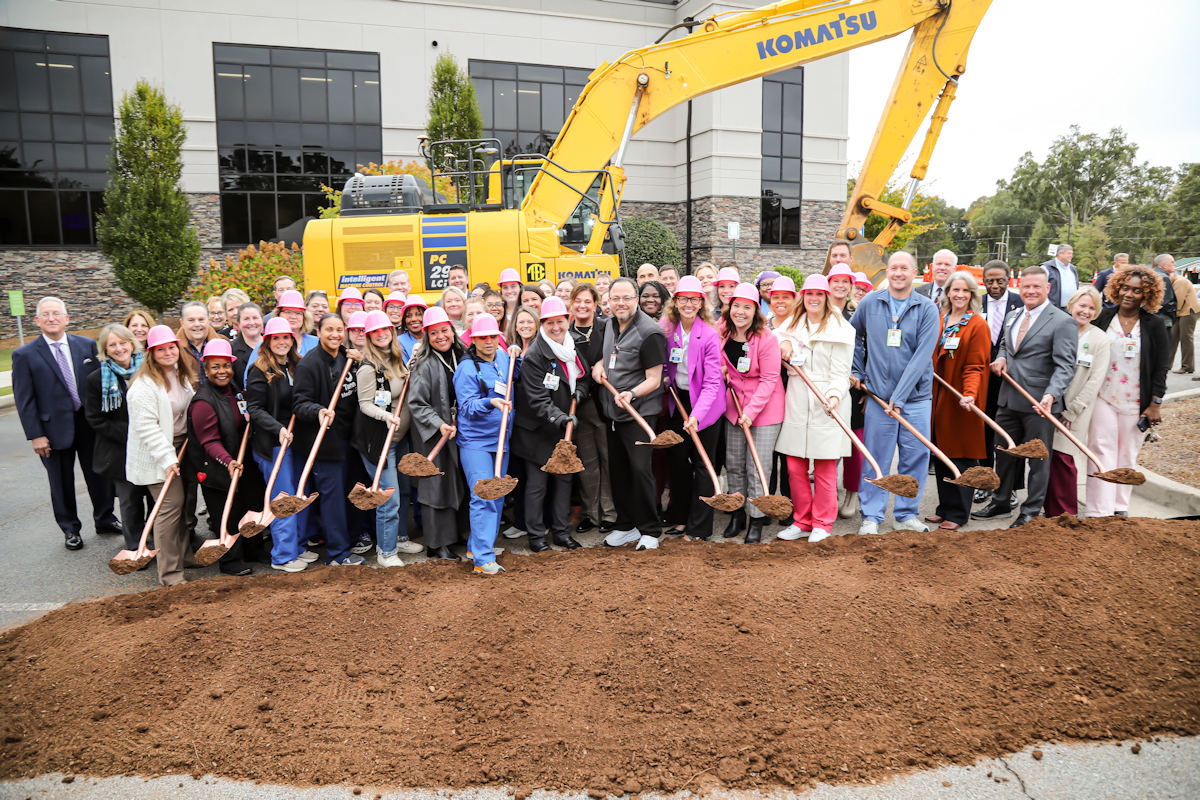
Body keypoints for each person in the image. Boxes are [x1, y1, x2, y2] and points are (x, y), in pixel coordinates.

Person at [973, 266, 1077, 528]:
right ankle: (1000, 501)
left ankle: (1031, 511)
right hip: (1008, 399)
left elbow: (1065, 365)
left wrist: (1052, 395)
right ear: (1020, 287)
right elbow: (1007, 346)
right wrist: (1000, 358)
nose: (1031, 291)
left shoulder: (1062, 321)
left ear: (1047, 289)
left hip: (1039, 404)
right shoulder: (1014, 315)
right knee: (1004, 454)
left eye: (1037, 287)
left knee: (1038, 461)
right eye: (1027, 287)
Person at [12, 297, 118, 550]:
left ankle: (105, 518)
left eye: (56, 313)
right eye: (45, 314)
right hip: (51, 430)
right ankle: (70, 529)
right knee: (60, 482)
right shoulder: (24, 355)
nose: (51, 318)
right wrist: (35, 434)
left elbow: (100, 384)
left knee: (99, 475)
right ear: (37, 321)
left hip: (89, 423)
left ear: (66, 318)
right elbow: (24, 399)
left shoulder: (86, 345)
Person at [848, 251, 939, 535]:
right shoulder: (870, 303)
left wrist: (898, 399)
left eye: (904, 268)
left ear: (915, 274)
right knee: (876, 457)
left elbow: (921, 358)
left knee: (915, 457)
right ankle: (872, 517)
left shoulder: (927, 308)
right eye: (893, 268)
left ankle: (906, 514)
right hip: (878, 399)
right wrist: (859, 372)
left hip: (915, 400)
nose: (898, 273)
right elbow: (853, 338)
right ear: (886, 272)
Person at [773, 274, 854, 542]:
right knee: (795, 467)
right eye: (809, 294)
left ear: (827, 297)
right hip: (797, 399)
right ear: (803, 297)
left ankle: (822, 523)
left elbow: (841, 373)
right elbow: (774, 337)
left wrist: (833, 396)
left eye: (819, 294)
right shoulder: (790, 325)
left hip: (827, 401)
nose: (814, 299)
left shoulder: (841, 329)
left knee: (825, 468)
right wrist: (782, 342)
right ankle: (802, 520)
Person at [1087, 265, 1170, 517]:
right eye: (1125, 288)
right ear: (1116, 288)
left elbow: (1161, 366)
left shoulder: (1155, 325)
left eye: (1137, 290)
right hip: (1103, 396)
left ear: (1146, 294)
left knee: (1127, 454)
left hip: (1137, 401)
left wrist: (1155, 402)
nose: (1129, 294)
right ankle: (1097, 510)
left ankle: (1119, 508)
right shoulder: (1102, 318)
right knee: (1101, 450)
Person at [591, 277, 667, 551]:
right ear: (608, 301)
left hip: (638, 414)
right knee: (619, 472)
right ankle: (626, 525)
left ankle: (650, 530)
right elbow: (609, 354)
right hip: (613, 413)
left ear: (636, 299)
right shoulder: (610, 324)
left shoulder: (650, 333)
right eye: (616, 298)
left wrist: (632, 394)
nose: (621, 303)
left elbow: (654, 379)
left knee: (640, 471)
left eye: (627, 298)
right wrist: (600, 364)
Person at [186, 339, 267, 577]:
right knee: (227, 512)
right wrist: (228, 461)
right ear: (206, 369)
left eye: (225, 365)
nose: (221, 371)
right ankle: (230, 560)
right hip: (217, 465)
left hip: (242, 460)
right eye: (214, 367)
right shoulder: (202, 402)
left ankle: (253, 549)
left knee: (251, 505)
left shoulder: (234, 389)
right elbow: (208, 440)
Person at [125, 325, 197, 585]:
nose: (168, 352)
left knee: (184, 504)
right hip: (157, 454)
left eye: (171, 347)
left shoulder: (180, 374)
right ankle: (170, 574)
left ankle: (185, 556)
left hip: (182, 446)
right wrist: (168, 459)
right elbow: (148, 430)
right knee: (169, 508)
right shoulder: (143, 386)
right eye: (161, 349)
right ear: (151, 354)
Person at [245, 317, 317, 572]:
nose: (281, 342)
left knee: (300, 493)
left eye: (285, 337)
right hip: (274, 444)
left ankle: (297, 546)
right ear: (267, 341)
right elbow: (254, 408)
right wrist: (279, 429)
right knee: (283, 498)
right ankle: (283, 556)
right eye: (276, 338)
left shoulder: (297, 365)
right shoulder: (259, 369)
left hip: (298, 440)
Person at [292, 313, 362, 566]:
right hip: (325, 442)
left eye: (339, 329)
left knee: (349, 494)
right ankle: (337, 554)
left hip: (350, 439)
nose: (335, 334)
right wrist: (318, 411)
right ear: (318, 332)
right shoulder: (309, 364)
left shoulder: (346, 357)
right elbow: (299, 403)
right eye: (329, 330)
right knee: (332, 499)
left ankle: (351, 543)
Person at [659, 276, 726, 540]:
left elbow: (712, 382)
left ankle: (699, 528)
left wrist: (697, 416)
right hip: (679, 400)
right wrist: (665, 375)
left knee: (702, 464)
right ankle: (681, 518)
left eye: (694, 299)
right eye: (683, 298)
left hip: (706, 406)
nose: (688, 304)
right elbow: (664, 362)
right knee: (677, 461)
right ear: (675, 301)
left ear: (701, 303)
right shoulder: (667, 328)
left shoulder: (709, 334)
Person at [354, 310, 420, 566]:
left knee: (403, 491)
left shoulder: (396, 358)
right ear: (369, 337)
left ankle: (400, 537)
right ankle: (386, 551)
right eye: (375, 332)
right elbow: (364, 404)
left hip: (400, 438)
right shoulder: (368, 367)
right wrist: (385, 416)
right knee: (388, 497)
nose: (381, 334)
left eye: (385, 330)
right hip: (380, 442)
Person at [720, 283, 784, 543]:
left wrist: (751, 411)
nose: (741, 312)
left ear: (756, 310)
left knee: (757, 467)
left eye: (747, 307)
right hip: (733, 407)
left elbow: (770, 379)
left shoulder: (766, 338)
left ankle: (757, 519)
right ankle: (737, 513)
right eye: (736, 306)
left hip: (764, 410)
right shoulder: (722, 330)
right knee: (734, 464)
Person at [926, 272, 990, 531]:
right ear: (948, 292)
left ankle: (960, 512)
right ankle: (944, 508)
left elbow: (976, 365)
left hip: (961, 399)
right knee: (942, 455)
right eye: (955, 290)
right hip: (939, 398)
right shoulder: (940, 319)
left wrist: (970, 394)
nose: (960, 295)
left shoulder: (977, 324)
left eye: (965, 291)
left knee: (961, 457)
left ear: (972, 294)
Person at [455, 315, 520, 573]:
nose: (489, 341)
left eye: (493, 336)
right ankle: (482, 560)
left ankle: (478, 546)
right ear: (473, 339)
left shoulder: (504, 356)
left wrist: (517, 352)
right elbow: (467, 407)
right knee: (483, 495)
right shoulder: (467, 369)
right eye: (483, 337)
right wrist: (489, 402)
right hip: (476, 442)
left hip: (501, 438)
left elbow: (516, 369)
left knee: (498, 494)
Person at [407, 307, 469, 561]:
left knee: (459, 483)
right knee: (436, 485)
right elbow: (417, 403)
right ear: (426, 336)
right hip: (434, 434)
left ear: (452, 331)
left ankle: (457, 536)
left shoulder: (462, 355)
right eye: (434, 333)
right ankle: (436, 544)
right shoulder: (424, 364)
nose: (441, 336)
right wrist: (438, 423)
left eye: (445, 330)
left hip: (460, 431)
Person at [1043, 287, 1111, 517]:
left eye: (1092, 308)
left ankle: (1065, 515)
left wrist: (1071, 412)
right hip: (1046, 406)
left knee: (1063, 460)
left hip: (1073, 412)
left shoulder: (1099, 339)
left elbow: (1095, 381)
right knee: (1045, 460)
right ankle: (1049, 512)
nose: (1086, 311)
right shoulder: (1057, 328)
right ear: (1071, 304)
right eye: (1082, 305)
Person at [84, 324, 147, 554]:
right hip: (120, 450)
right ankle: (136, 548)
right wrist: (133, 434)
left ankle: (159, 542)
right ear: (105, 350)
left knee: (156, 498)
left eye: (123, 342)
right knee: (130, 502)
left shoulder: (150, 370)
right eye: (112, 345)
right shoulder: (96, 379)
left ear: (132, 343)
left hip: (151, 445)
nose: (119, 348)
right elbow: (96, 419)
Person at [569, 283, 616, 534]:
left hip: (605, 403)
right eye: (577, 300)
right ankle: (590, 513)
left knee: (608, 459)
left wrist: (602, 361)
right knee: (587, 462)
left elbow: (617, 352)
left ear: (596, 304)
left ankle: (609, 513)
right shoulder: (565, 332)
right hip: (580, 405)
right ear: (572, 304)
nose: (582, 305)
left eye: (587, 301)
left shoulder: (607, 327)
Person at [978, 260, 1023, 506]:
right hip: (984, 377)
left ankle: (1011, 486)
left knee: (1009, 433)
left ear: (1009, 280)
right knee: (984, 430)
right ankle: (985, 480)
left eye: (1000, 281)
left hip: (1010, 377)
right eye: (989, 281)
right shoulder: (977, 303)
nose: (994, 286)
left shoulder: (1020, 303)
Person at [499, 305, 540, 540]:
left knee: (535, 476)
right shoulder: (509, 352)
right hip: (516, 420)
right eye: (520, 322)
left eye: (529, 322)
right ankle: (522, 520)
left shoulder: (540, 349)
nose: (525, 326)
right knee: (520, 473)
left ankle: (535, 522)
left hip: (534, 419)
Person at [176, 301, 225, 385]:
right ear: (182, 323)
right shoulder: (173, 349)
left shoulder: (223, 343)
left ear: (208, 320)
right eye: (191, 320)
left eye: (201, 319)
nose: (197, 324)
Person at [1170, 262, 1200, 374]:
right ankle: (1167, 364)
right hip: (1180, 312)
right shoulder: (1174, 282)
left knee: (1185, 338)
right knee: (1172, 337)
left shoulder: (1180, 281)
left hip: (1189, 312)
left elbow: (1178, 300)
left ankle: (1187, 366)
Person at [230, 303, 264, 384]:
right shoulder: (231, 350)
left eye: (255, 318)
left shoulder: (273, 345)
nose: (252, 323)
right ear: (238, 323)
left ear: (262, 320)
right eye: (246, 319)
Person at [1043, 244, 1079, 310]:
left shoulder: (1072, 269)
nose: (1071, 256)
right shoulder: (1047, 268)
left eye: (1072, 254)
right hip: (1053, 309)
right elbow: (1040, 287)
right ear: (1060, 253)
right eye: (1069, 253)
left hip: (1071, 309)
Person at [1149, 254, 1179, 331]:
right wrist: (1171, 317)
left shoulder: (1150, 275)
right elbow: (1167, 302)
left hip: (1150, 317)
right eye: (1172, 262)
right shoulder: (1164, 278)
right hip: (1162, 319)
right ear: (1164, 265)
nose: (1175, 264)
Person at [399, 296, 427, 361]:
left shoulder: (434, 338)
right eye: (409, 316)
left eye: (418, 314)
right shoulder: (399, 342)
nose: (413, 319)